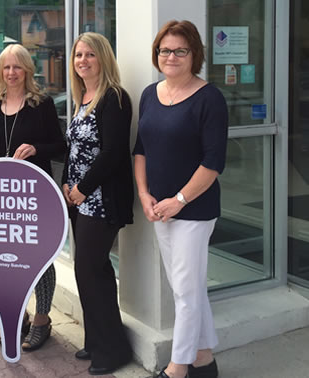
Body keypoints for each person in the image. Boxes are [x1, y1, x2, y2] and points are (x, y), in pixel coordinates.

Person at [133, 20, 228, 378]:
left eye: (180, 50)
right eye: (164, 50)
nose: (170, 56)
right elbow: (140, 149)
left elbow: (213, 163)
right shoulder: (149, 94)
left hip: (194, 209)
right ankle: (204, 360)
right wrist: (144, 195)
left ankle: (177, 367)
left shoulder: (209, 99)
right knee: (184, 285)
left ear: (194, 55)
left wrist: (179, 200)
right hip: (159, 209)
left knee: (185, 292)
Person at [0, 43, 66, 351]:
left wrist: (36, 148)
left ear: (28, 70)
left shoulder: (42, 104)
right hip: (2, 199)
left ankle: (42, 319)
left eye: (18, 67)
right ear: (0, 71)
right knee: (6, 260)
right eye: (6, 67)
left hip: (34, 197)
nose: (12, 73)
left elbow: (60, 147)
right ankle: (19, 316)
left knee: (40, 258)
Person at [61, 32, 134, 376]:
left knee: (92, 272)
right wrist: (67, 182)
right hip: (80, 200)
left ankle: (112, 352)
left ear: (103, 58)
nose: (83, 61)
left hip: (101, 201)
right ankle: (98, 340)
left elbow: (112, 153)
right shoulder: (83, 97)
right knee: (89, 271)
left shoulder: (114, 98)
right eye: (78, 55)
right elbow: (76, 150)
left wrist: (83, 189)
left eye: (90, 54)